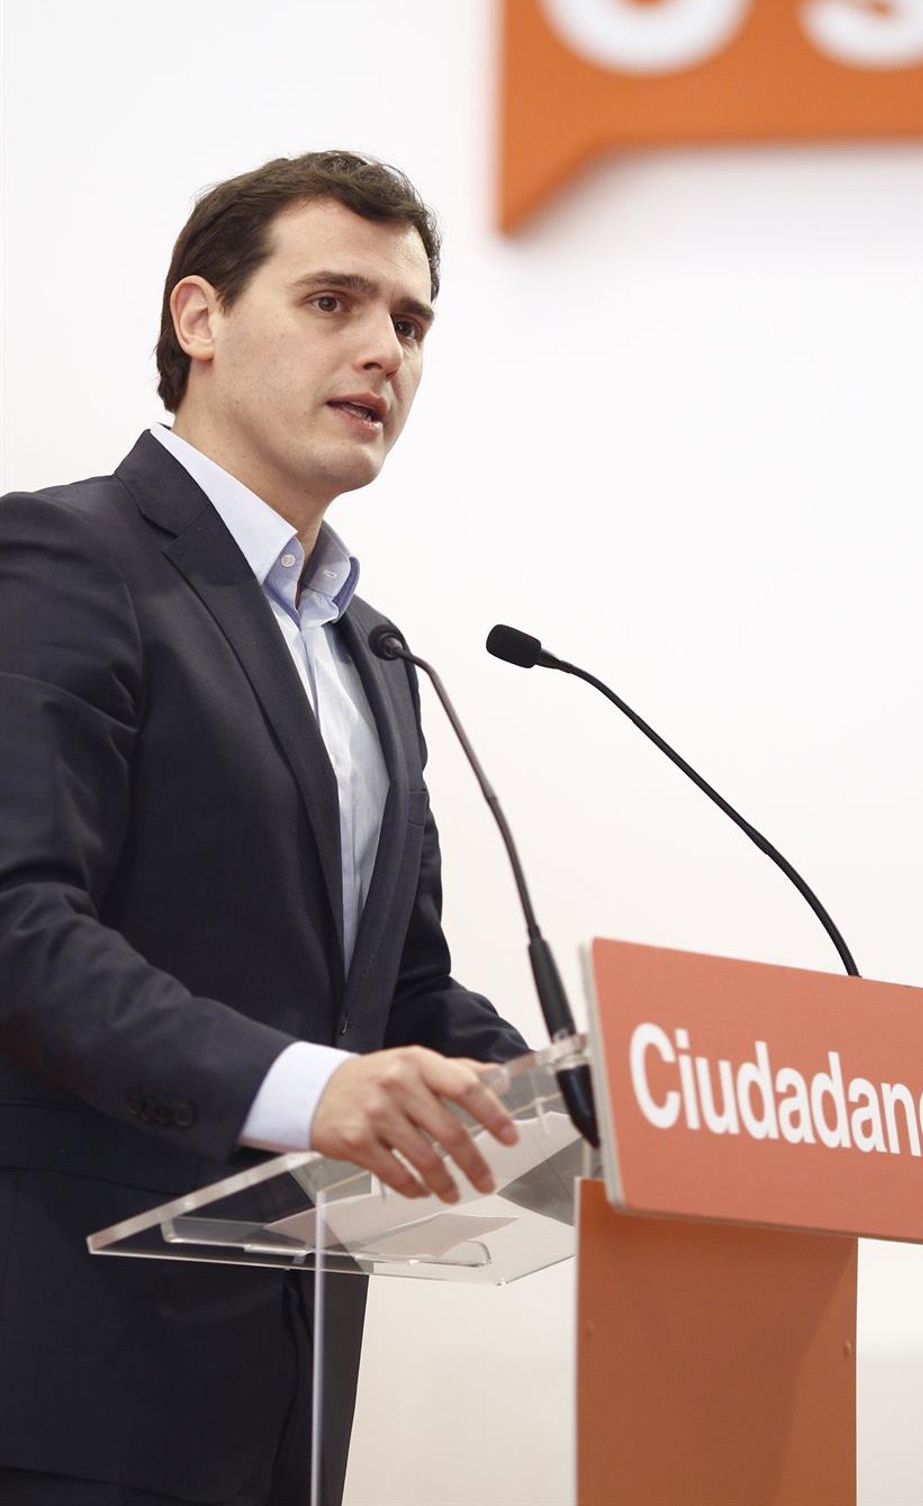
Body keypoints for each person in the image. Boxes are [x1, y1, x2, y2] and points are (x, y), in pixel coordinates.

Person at [0, 151, 529, 1504]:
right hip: (65, 1380)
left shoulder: (374, 654)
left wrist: (585, 1104)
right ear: (201, 317)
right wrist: (311, 1089)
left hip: (287, 1390)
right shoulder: (63, 561)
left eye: (411, 322)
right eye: (333, 302)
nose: (385, 352)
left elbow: (397, 993)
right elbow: (19, 926)